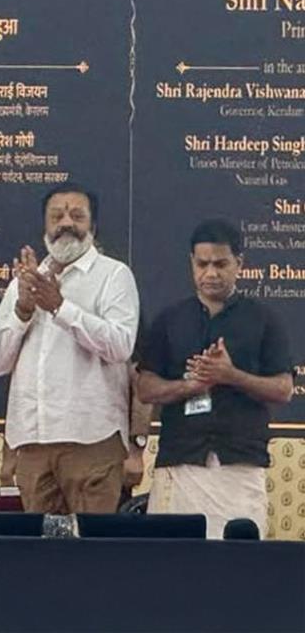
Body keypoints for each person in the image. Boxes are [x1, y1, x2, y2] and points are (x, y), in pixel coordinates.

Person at [0, 186, 139, 514]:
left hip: (92, 440)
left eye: (77, 216)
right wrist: (22, 311)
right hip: (33, 441)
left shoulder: (114, 275)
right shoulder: (24, 283)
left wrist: (60, 307)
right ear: (45, 227)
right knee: (43, 546)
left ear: (93, 227)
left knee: (90, 544)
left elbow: (120, 346)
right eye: (56, 216)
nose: (66, 223)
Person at [138, 218, 292, 539]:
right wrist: (189, 386)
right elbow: (145, 388)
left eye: (221, 264)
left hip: (238, 465)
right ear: (191, 263)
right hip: (180, 460)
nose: (211, 273)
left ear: (239, 263)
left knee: (237, 562)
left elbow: (283, 389)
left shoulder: (263, 319)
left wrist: (231, 376)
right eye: (202, 264)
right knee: (171, 561)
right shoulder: (170, 320)